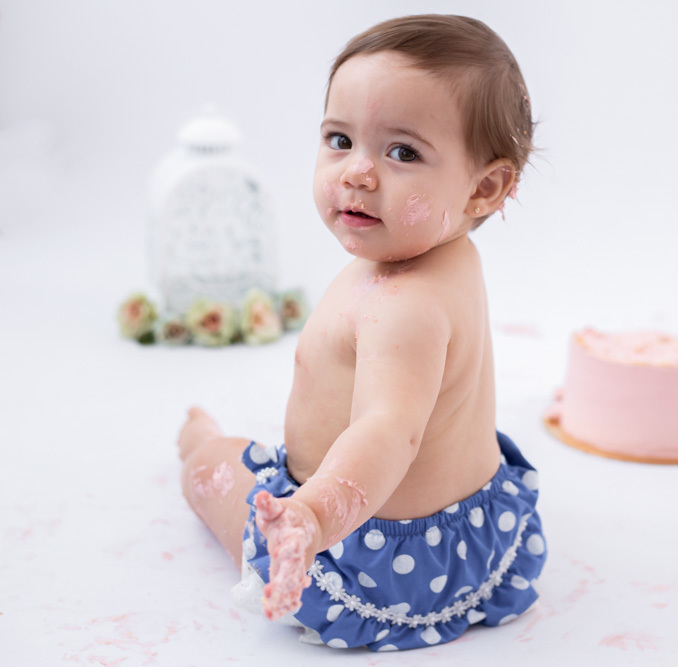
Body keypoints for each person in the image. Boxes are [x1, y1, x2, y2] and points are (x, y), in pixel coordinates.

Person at [176, 14, 546, 651]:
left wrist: (313, 517)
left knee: (213, 467)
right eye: (340, 139)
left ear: (485, 187)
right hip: (478, 534)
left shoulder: (402, 307)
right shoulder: (448, 255)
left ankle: (205, 448)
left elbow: (388, 430)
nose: (357, 172)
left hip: (370, 560)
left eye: (403, 152)